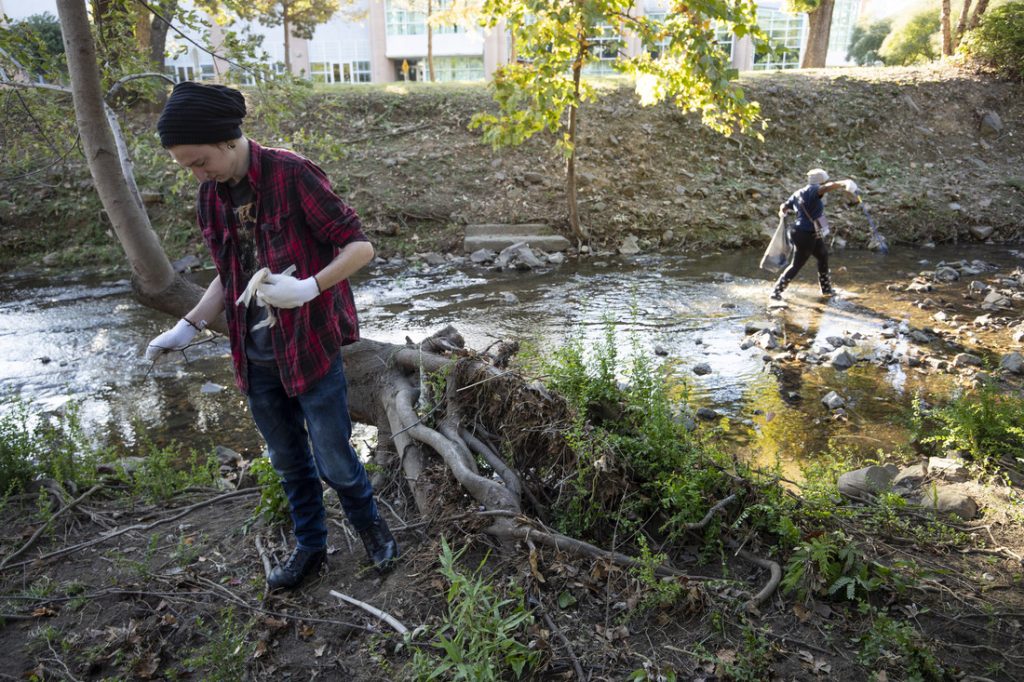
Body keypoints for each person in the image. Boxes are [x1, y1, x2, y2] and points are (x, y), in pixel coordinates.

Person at [145, 81, 398, 589]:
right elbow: (229, 273)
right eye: (187, 167)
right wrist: (188, 324)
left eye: (199, 161)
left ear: (226, 139)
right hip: (253, 357)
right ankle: (311, 547)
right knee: (287, 461)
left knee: (333, 457)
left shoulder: (292, 173)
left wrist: (309, 286)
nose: (197, 173)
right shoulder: (210, 198)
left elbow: (359, 247)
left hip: (309, 347)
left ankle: (373, 530)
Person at [771, 168, 858, 301]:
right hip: (806, 232)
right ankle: (776, 292)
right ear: (820, 180)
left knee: (822, 255)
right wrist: (843, 182)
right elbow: (825, 188)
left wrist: (782, 212)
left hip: (804, 231)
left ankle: (826, 289)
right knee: (797, 264)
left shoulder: (798, 192)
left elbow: (784, 205)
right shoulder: (813, 190)